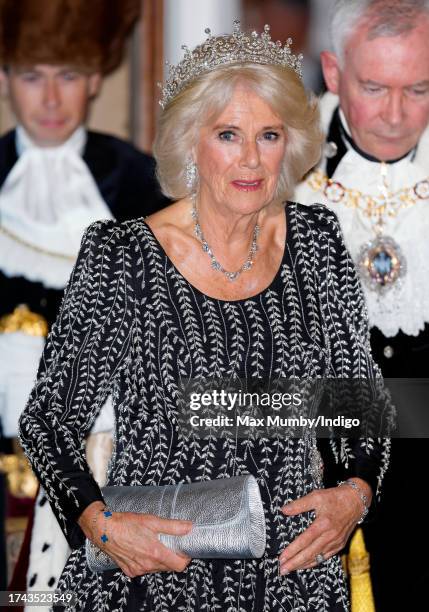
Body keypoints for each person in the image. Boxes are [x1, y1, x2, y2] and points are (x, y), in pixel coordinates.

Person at [19, 22, 391, 611]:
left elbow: (357, 402)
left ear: (289, 143)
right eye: (228, 135)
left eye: (268, 135)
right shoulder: (122, 257)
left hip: (293, 574)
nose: (250, 159)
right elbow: (49, 422)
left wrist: (356, 493)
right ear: (192, 140)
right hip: (155, 567)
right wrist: (101, 525)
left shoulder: (316, 244)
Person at [0, 0, 167, 595]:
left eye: (68, 76)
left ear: (96, 78)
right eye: (31, 75)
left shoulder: (148, 190)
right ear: (5, 77)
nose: (49, 99)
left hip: (112, 481)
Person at [294, 0, 429, 609]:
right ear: (333, 72)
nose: (398, 116)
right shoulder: (273, 161)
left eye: (419, 89)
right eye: (374, 88)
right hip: (306, 460)